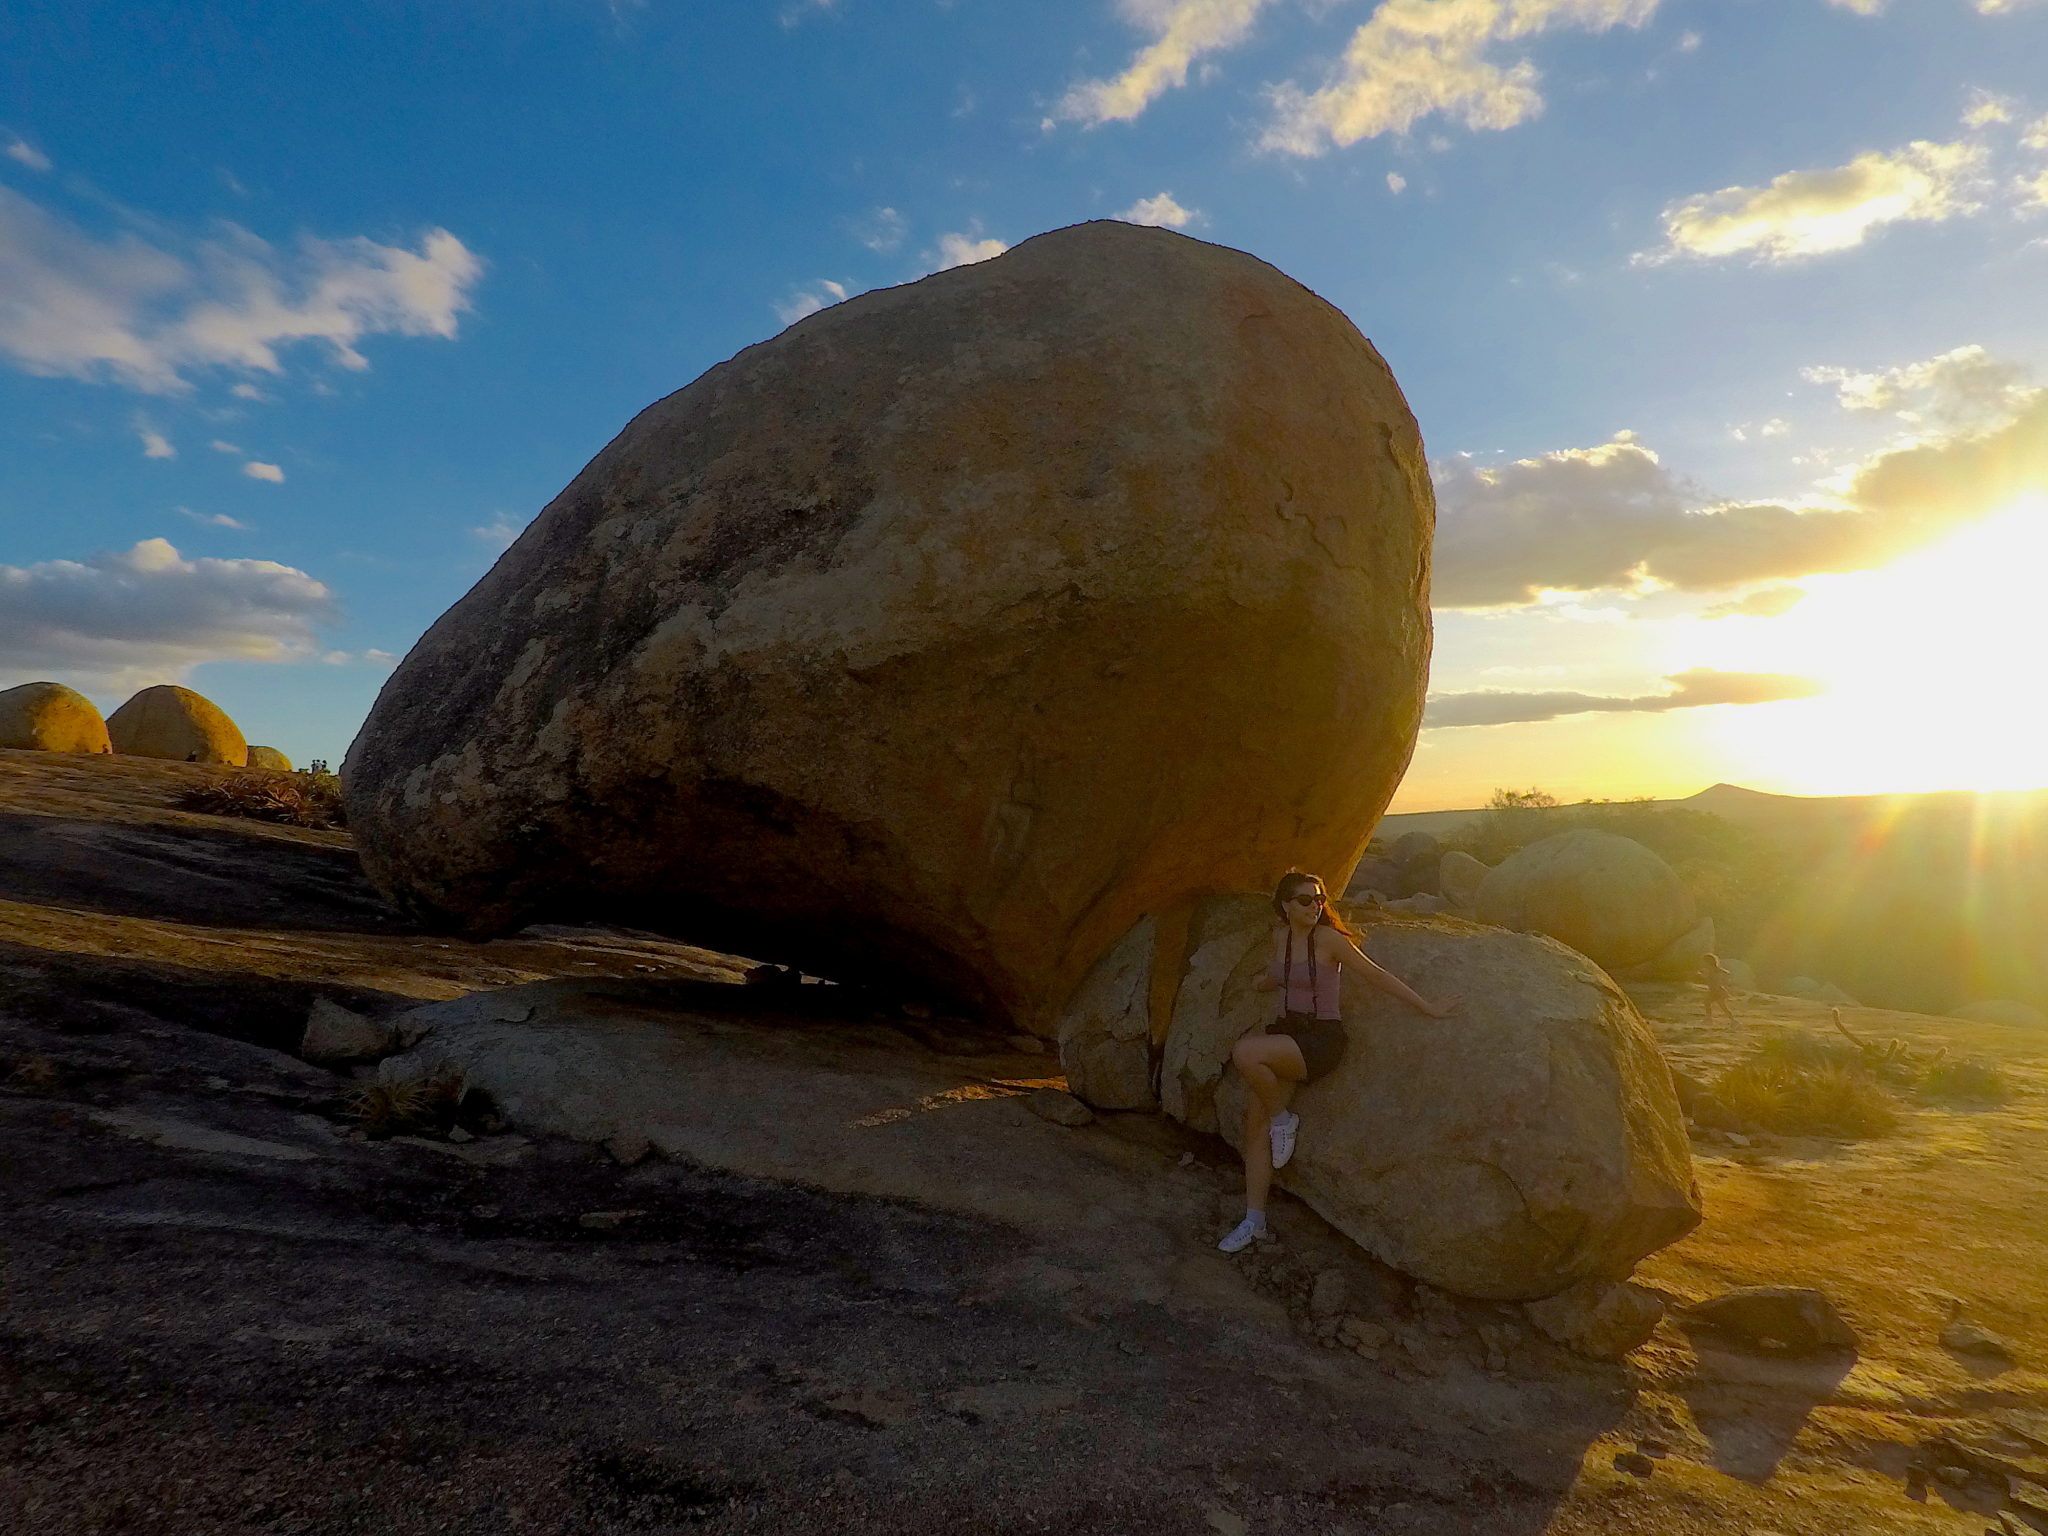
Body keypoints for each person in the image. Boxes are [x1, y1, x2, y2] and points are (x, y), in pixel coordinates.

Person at [1217, 870, 1459, 1254]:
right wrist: (1262, 982)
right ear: (1284, 906)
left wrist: (1426, 1006)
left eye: (1319, 899)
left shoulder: (1329, 940)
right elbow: (1281, 975)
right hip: (1286, 1032)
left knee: (1246, 1052)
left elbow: (1375, 974)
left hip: (1320, 1040)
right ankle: (1255, 1222)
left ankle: (1285, 1119)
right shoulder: (1279, 938)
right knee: (1253, 1128)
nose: (1315, 906)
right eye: (1304, 900)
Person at [1701, 951, 1739, 1027]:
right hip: (1717, 990)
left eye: (1705, 962)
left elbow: (1712, 978)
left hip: (1716, 991)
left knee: (1709, 1003)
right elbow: (1725, 973)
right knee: (1720, 1006)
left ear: (1708, 962)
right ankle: (1733, 1021)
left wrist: (1702, 975)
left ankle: (1709, 1019)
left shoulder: (1712, 970)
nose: (1703, 963)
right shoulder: (1714, 969)